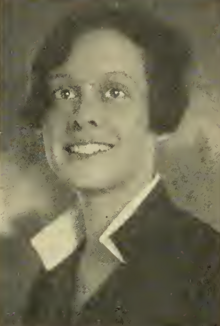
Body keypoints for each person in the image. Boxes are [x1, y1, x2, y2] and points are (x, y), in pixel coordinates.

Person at [4, 0, 220, 325]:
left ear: (159, 113)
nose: (83, 115)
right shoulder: (50, 278)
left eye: (114, 92)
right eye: (65, 93)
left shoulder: (209, 269)